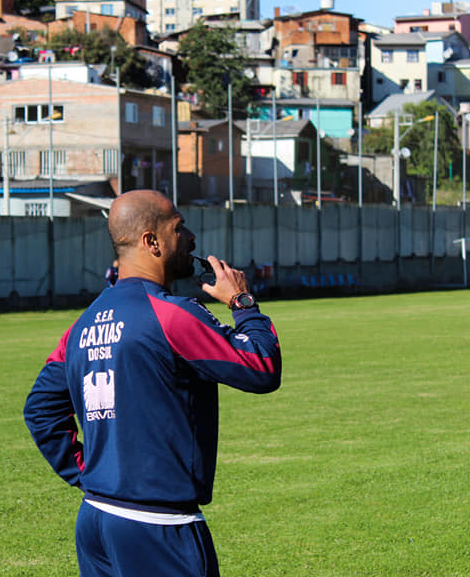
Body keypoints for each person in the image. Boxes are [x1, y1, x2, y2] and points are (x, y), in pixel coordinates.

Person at [24, 189, 282, 577]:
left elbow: (40, 409)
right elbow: (261, 367)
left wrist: (90, 473)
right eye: (179, 228)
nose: (191, 237)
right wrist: (242, 302)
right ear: (152, 241)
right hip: (158, 526)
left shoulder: (82, 325)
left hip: (97, 518)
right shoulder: (171, 315)